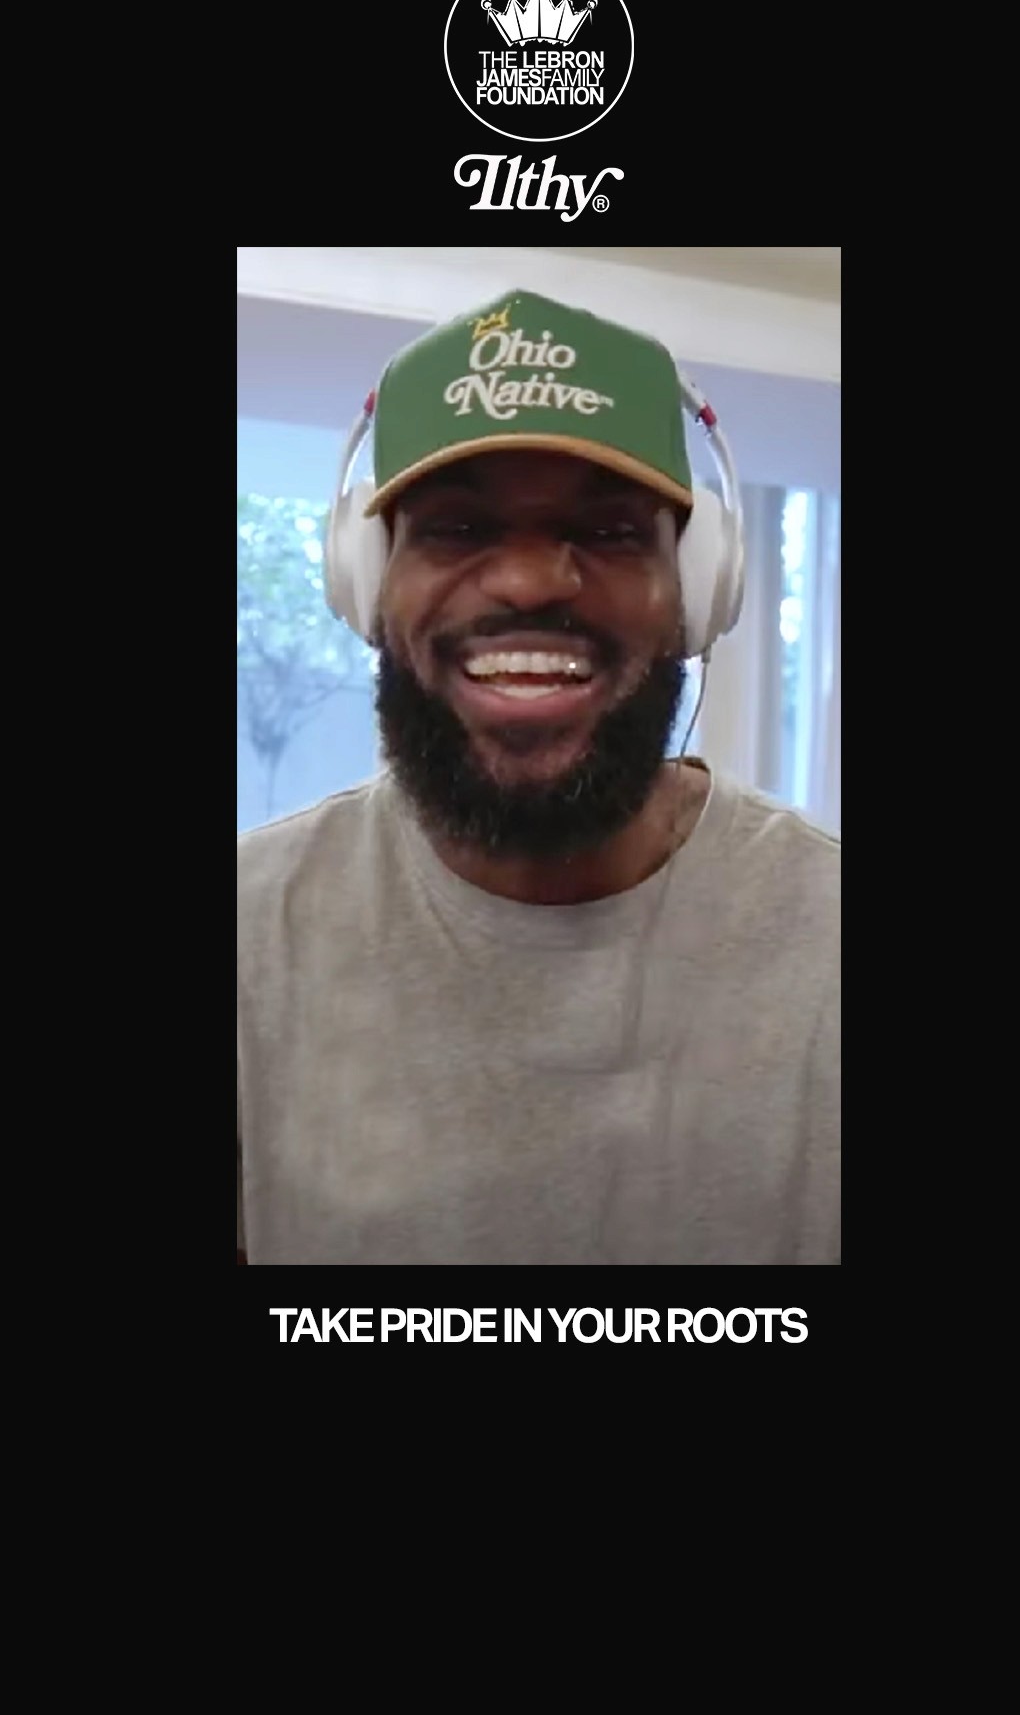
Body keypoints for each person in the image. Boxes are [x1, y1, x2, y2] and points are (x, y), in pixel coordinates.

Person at [236, 289, 840, 1265]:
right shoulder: (249, 940)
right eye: (455, 528)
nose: (527, 582)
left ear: (698, 589)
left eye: (608, 533)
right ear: (364, 581)